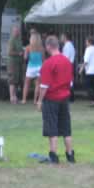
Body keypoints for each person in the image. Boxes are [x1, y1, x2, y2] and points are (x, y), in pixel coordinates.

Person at [36, 36, 75, 164]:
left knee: (52, 127)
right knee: (66, 128)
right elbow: (70, 82)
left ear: (48, 46)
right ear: (58, 45)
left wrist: (40, 101)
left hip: (51, 98)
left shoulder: (48, 63)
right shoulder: (67, 61)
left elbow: (44, 85)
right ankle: (70, 155)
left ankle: (54, 155)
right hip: (64, 98)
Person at [22, 31, 44, 105]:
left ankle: (24, 99)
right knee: (38, 84)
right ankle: (35, 100)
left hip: (31, 67)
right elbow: (43, 59)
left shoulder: (28, 47)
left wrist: (26, 55)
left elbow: (25, 58)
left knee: (26, 83)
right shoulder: (41, 48)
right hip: (39, 67)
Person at [7, 26, 24, 104]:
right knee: (12, 81)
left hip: (18, 63)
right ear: (13, 32)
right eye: (16, 31)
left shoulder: (19, 40)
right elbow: (9, 52)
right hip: (12, 63)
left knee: (17, 81)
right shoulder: (12, 40)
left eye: (18, 31)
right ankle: (12, 98)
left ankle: (15, 97)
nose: (17, 32)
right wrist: (18, 53)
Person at [61, 33, 76, 102]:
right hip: (69, 64)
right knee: (69, 81)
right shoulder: (69, 45)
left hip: (67, 65)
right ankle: (70, 96)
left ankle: (70, 97)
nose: (61, 38)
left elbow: (66, 57)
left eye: (62, 37)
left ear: (65, 37)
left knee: (68, 81)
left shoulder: (67, 46)